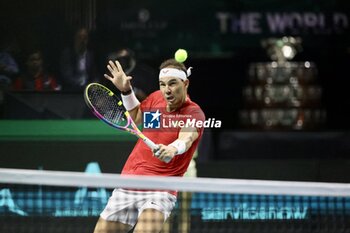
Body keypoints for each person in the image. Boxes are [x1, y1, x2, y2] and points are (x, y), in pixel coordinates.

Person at [93, 58, 205, 233]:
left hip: (160, 190)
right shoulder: (156, 99)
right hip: (129, 182)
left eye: (172, 84)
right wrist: (126, 91)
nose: (167, 90)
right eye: (162, 84)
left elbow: (187, 137)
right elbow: (137, 118)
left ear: (185, 83)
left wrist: (173, 149)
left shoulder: (193, 113)